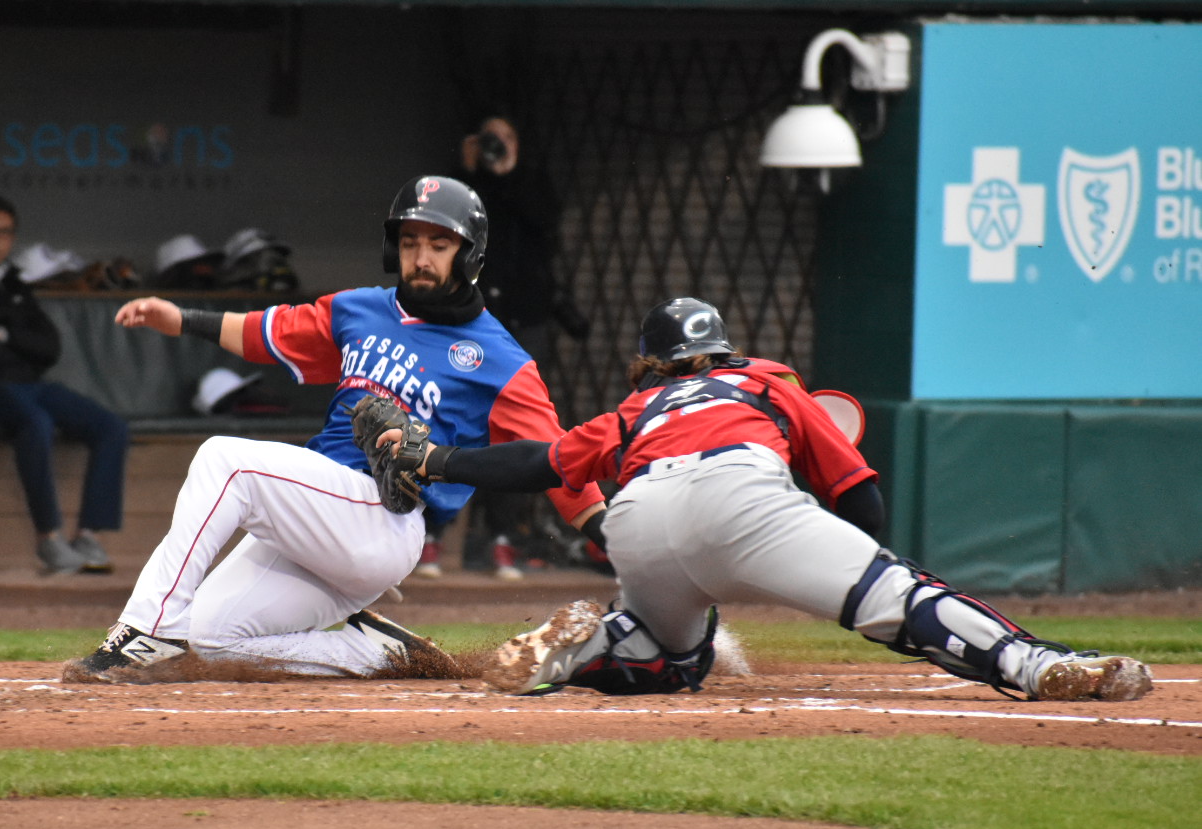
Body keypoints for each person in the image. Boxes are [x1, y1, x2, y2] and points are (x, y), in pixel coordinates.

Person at [365, 297, 1153, 703]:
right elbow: (865, 504)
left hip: (638, 520)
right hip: (746, 497)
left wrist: (435, 458)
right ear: (720, 349)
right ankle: (1032, 663)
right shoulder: (765, 380)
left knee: (679, 661)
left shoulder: (637, 410)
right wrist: (823, 553)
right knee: (895, 596)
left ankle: (591, 642)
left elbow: (541, 463)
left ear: (650, 363)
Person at [61, 174, 606, 682]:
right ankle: (381, 652)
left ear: (469, 255)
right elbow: (263, 332)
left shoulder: (500, 358)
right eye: (411, 241)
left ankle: (147, 630)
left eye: (439, 245)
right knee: (215, 638)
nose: (421, 257)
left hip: (387, 520)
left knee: (226, 460)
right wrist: (179, 319)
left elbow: (558, 462)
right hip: (319, 510)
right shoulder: (359, 309)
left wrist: (610, 535)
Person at [415, 114, 579, 582]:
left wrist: (507, 172)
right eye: (489, 139)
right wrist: (469, 171)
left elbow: (546, 224)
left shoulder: (532, 184)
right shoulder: (464, 189)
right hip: (466, 323)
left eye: (505, 138)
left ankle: (502, 538)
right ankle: (433, 532)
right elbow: (450, 228)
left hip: (522, 323)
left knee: (513, 428)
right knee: (447, 418)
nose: (495, 147)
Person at [0, 194, 129, 574]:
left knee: (111, 427)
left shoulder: (15, 284)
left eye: (3, 233)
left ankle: (88, 535)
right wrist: (13, 342)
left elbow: (48, 348)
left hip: (30, 383)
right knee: (36, 421)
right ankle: (49, 539)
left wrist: (4, 336)